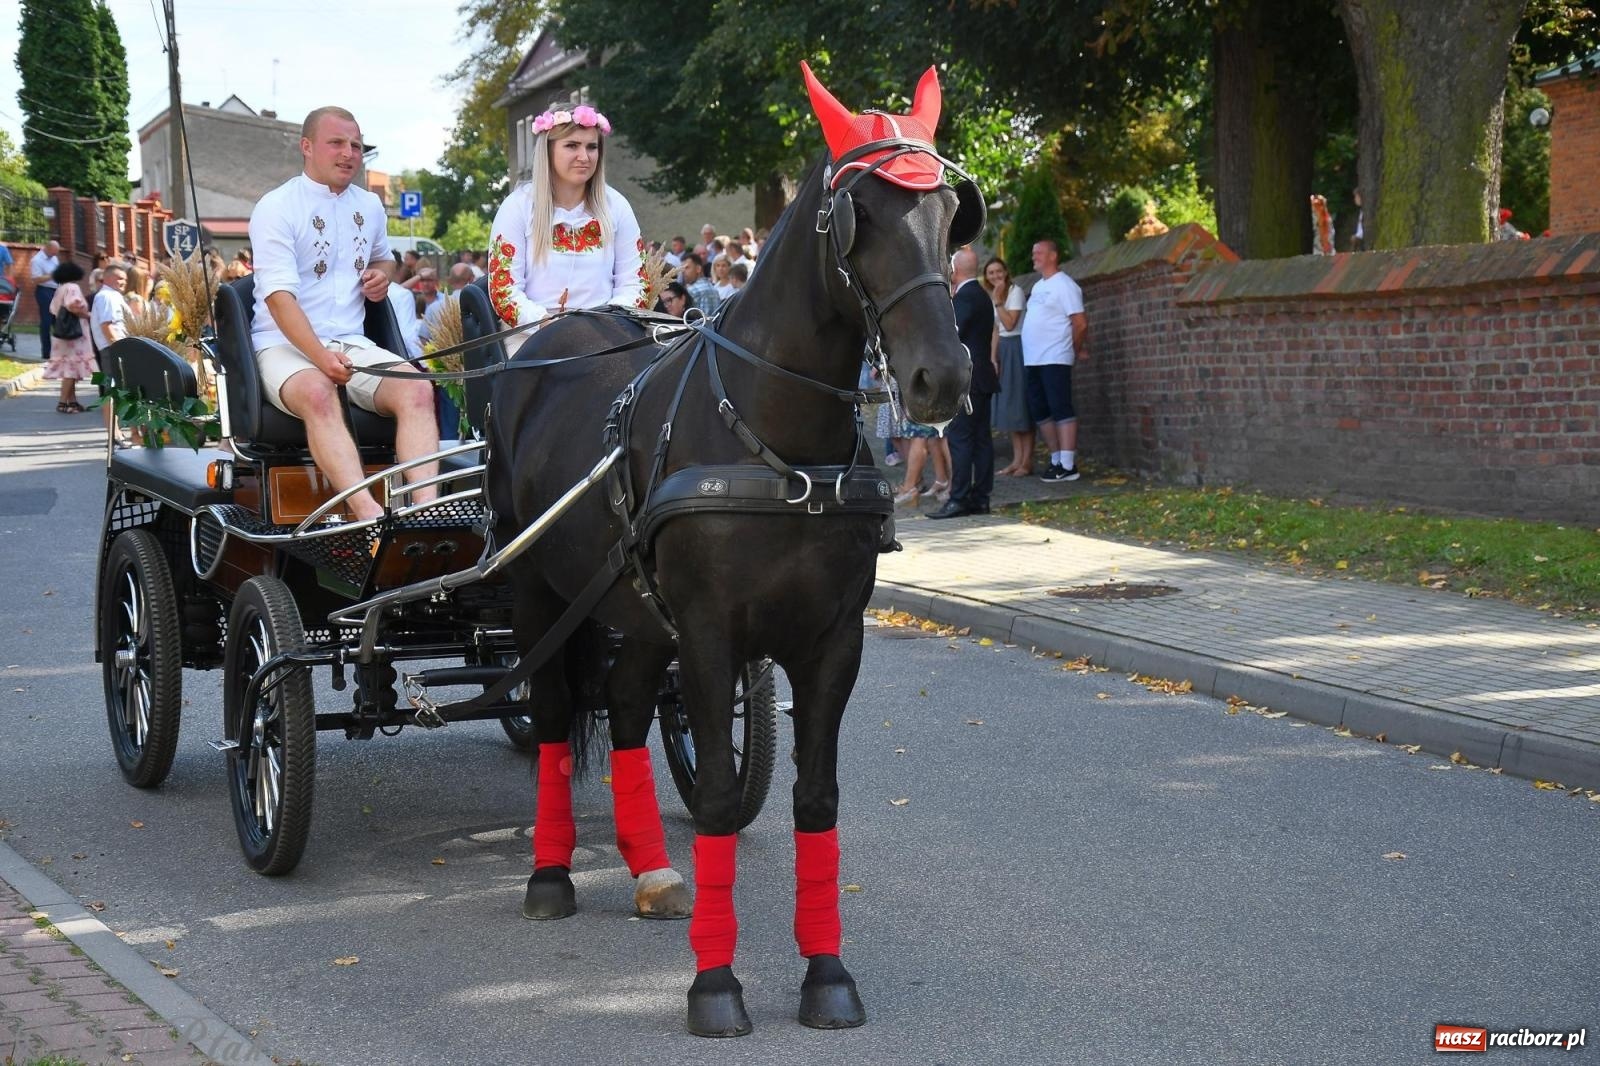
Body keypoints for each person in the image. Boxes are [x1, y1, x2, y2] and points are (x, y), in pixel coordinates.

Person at [248, 105, 439, 522]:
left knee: (418, 389)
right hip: (282, 346)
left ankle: (425, 514)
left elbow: (384, 259)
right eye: (336, 143)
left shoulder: (369, 205)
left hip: (352, 342)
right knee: (319, 391)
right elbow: (278, 299)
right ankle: (369, 516)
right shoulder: (276, 206)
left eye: (356, 145)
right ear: (307, 146)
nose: (349, 153)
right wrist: (320, 357)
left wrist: (382, 276)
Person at [486, 101, 645, 327]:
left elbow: (635, 284)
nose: (584, 156)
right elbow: (504, 291)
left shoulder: (617, 206)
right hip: (533, 334)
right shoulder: (517, 206)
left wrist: (608, 324)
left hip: (607, 334)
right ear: (548, 150)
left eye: (592, 147)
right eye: (572, 146)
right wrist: (546, 324)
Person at [929, 249, 997, 519]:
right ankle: (980, 498)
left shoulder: (966, 297)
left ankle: (959, 498)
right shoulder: (981, 295)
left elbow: (951, 333)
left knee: (961, 440)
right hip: (981, 377)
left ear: (955, 269)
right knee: (981, 441)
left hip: (969, 380)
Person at [1020, 238, 1088, 482]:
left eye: (1039, 252)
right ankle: (1056, 458)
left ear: (1053, 256)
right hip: (1033, 359)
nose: (1034, 256)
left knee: (1060, 406)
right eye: (1033, 252)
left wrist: (1075, 349)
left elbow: (1079, 323)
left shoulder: (1065, 285)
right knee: (1040, 409)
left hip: (1055, 356)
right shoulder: (1038, 286)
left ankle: (1068, 464)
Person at [985, 257, 1033, 475]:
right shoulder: (994, 296)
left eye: (998, 271)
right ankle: (1016, 460)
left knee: (1020, 403)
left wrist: (998, 302)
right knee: (1010, 405)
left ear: (1005, 272)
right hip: (1003, 349)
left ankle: (1027, 461)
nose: (995, 276)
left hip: (1017, 347)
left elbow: (1010, 324)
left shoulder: (1015, 292)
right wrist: (993, 359)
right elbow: (996, 329)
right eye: (991, 273)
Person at [43, 261, 96, 414]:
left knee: (69, 367)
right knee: (71, 369)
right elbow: (73, 306)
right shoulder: (73, 287)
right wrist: (88, 315)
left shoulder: (60, 289)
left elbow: (53, 309)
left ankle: (72, 402)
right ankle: (62, 402)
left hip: (62, 334)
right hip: (75, 335)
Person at [30, 240, 60, 362]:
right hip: (44, 290)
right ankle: (46, 352)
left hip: (56, 290)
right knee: (46, 321)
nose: (55, 254)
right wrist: (52, 275)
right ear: (47, 248)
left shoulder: (54, 258)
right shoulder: (37, 260)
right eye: (53, 252)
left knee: (57, 321)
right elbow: (36, 279)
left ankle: (59, 351)